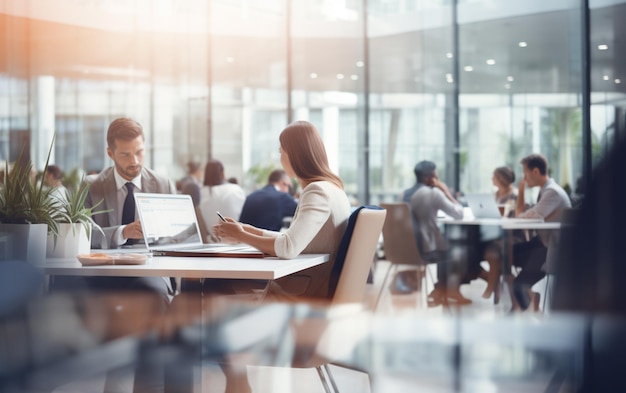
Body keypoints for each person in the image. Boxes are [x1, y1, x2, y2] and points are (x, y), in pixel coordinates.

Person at [212, 120, 352, 300]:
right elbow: (292, 240)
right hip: (316, 284)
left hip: (304, 290)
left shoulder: (316, 191)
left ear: (295, 155)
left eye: (281, 152)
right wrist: (247, 229)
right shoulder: (333, 189)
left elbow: (288, 248)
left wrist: (241, 236)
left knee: (214, 294)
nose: (280, 159)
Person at [81, 117, 176, 302]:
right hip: (103, 272)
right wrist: (123, 232)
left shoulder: (162, 184)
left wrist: (160, 234)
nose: (134, 161)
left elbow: (176, 238)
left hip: (151, 270)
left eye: (139, 152)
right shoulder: (91, 187)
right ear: (110, 153)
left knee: (153, 297)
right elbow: (83, 233)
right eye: (125, 154)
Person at [511, 153, 571, 312]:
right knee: (506, 253)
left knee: (517, 285)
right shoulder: (546, 191)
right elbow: (526, 216)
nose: (524, 178)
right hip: (541, 243)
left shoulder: (552, 193)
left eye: (525, 173)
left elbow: (522, 218)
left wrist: (521, 190)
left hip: (549, 249)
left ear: (535, 172)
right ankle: (525, 300)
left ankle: (528, 312)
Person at [407, 160, 468, 306]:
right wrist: (446, 192)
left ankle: (439, 290)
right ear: (430, 178)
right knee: (460, 252)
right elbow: (459, 214)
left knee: (448, 249)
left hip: (409, 248)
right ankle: (445, 290)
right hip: (428, 249)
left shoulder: (407, 194)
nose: (438, 176)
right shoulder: (433, 193)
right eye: (436, 173)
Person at [197, 159, 246, 242]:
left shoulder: (201, 193)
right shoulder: (235, 190)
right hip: (236, 241)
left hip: (210, 243)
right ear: (222, 173)